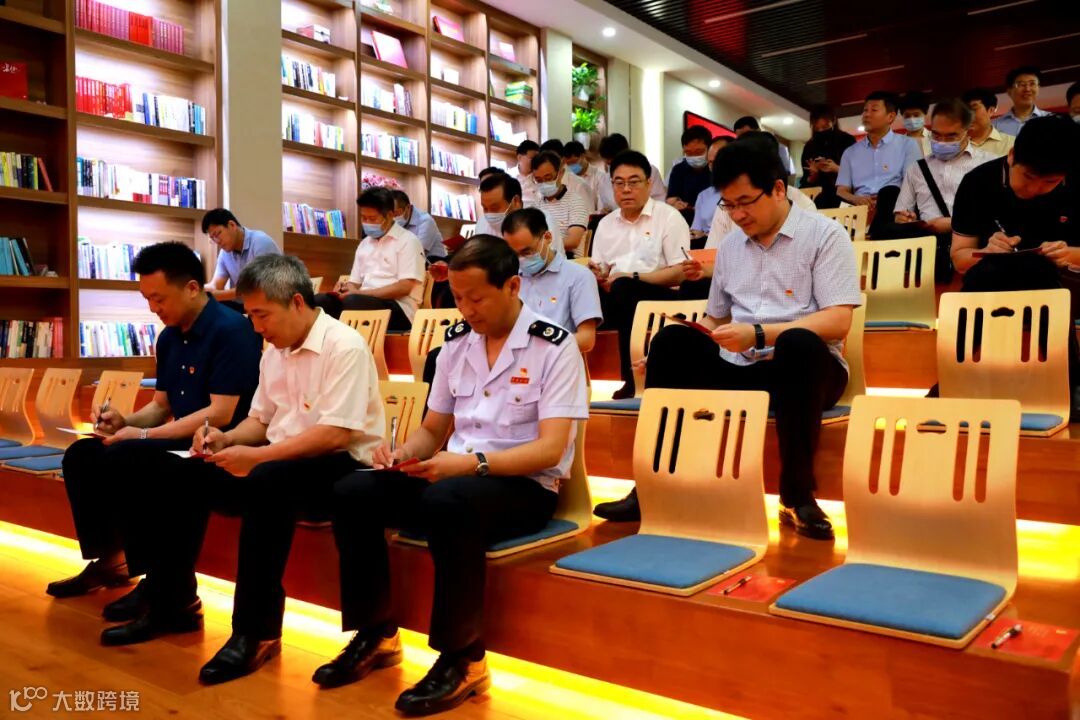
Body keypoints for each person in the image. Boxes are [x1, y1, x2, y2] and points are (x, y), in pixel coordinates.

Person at [316, 235, 588, 715]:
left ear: (512, 286)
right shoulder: (456, 343)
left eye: (476, 298)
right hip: (456, 479)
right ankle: (376, 634)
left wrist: (472, 464)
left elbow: (550, 449)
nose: (466, 309)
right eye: (458, 298)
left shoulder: (554, 346)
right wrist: (402, 454)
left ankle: (464, 658)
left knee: (448, 503)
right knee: (354, 490)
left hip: (523, 486)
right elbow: (432, 430)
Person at [127, 253, 383, 679]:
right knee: (181, 471)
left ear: (297, 302)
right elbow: (260, 421)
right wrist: (224, 439)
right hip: (281, 460)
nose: (257, 327)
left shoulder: (344, 346)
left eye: (263, 315)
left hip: (339, 467)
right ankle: (171, 600)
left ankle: (255, 631)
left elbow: (335, 435)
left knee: (267, 482)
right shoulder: (274, 351)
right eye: (251, 316)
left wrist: (257, 456)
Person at [594, 140, 861, 540]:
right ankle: (652, 486)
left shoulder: (825, 235)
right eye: (728, 205)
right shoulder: (732, 246)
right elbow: (715, 317)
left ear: (777, 189)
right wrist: (675, 352)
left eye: (745, 202)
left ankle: (797, 496)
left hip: (806, 371)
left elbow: (839, 320)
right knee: (671, 341)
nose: (737, 215)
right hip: (744, 364)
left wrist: (759, 333)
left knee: (798, 343)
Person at [50, 242, 261, 636]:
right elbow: (161, 405)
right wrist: (123, 422)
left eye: (159, 298)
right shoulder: (168, 338)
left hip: (222, 445)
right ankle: (112, 561)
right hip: (180, 440)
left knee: (131, 458)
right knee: (84, 453)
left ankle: (170, 592)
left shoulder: (231, 331)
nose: (152, 308)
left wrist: (142, 435)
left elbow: (220, 413)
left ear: (192, 288)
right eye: (146, 298)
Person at [949, 115, 1080, 416]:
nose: (1035, 189)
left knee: (1043, 276)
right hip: (992, 280)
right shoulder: (978, 182)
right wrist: (985, 251)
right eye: (1028, 177)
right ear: (1011, 156)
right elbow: (960, 258)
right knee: (989, 273)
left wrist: (1069, 253)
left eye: (1050, 182)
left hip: (1060, 281)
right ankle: (957, 375)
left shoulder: (1076, 184)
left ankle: (1067, 380)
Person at [589, 150, 690, 399]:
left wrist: (631, 277)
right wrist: (598, 275)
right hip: (617, 293)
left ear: (649, 183)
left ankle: (631, 378)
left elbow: (681, 272)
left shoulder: (669, 217)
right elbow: (601, 267)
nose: (626, 190)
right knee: (583, 287)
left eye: (633, 182)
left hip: (663, 296)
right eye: (619, 183)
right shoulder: (605, 224)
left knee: (624, 288)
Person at [315, 187, 425, 331]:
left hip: (399, 307)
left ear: (390, 215)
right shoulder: (365, 244)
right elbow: (354, 282)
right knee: (320, 301)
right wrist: (345, 289)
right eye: (363, 217)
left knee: (354, 302)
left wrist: (359, 293)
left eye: (372, 219)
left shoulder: (408, 241)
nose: (366, 222)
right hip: (363, 300)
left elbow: (404, 287)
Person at [502, 207, 602, 353]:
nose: (521, 259)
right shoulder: (509, 281)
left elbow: (586, 339)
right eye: (514, 254)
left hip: (561, 358)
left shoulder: (579, 276)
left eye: (527, 251)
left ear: (547, 238)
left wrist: (540, 351)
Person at [893, 97, 993, 241]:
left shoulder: (987, 164)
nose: (942, 142)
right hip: (929, 244)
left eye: (951, 136)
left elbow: (997, 215)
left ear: (967, 132)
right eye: (936, 135)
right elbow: (900, 214)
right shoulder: (917, 169)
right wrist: (905, 219)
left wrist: (953, 224)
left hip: (974, 242)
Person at [836, 91, 921, 237]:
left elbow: (912, 184)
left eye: (874, 110)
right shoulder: (850, 152)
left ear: (890, 117)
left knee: (889, 192)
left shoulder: (907, 145)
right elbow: (841, 190)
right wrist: (857, 199)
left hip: (894, 208)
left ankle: (874, 234)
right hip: (859, 210)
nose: (866, 114)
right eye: (865, 110)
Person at [202, 208, 280, 310]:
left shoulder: (261, 243)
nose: (217, 241)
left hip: (270, 302)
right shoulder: (224, 253)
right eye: (213, 238)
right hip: (243, 305)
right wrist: (198, 290)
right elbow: (216, 285)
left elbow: (261, 288)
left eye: (217, 234)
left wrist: (216, 296)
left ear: (232, 225)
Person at [474, 172, 562, 250]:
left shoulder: (543, 221)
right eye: (485, 208)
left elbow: (555, 261)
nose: (489, 215)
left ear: (516, 201)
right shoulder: (482, 223)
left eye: (495, 208)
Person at [529, 151, 590, 257]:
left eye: (548, 178)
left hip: (569, 260)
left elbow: (573, 242)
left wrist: (538, 245)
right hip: (542, 259)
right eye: (538, 180)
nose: (544, 183)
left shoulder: (575, 201)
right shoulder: (536, 205)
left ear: (560, 174)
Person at [800, 104, 856, 209]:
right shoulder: (810, 146)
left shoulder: (847, 141)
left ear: (833, 121)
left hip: (844, 199)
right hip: (819, 201)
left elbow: (859, 174)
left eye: (825, 127)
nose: (821, 131)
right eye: (817, 128)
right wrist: (813, 176)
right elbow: (805, 182)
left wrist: (836, 168)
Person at [597, 133, 666, 206]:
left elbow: (659, 201)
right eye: (609, 164)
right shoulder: (604, 179)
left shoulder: (649, 171)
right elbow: (604, 204)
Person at [665, 125, 715, 226]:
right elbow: (671, 199)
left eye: (699, 152)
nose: (694, 156)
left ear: (709, 148)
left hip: (712, 222)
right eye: (688, 152)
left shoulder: (716, 168)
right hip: (684, 222)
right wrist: (675, 203)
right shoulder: (678, 169)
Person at [689, 136, 732, 240]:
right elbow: (695, 231)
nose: (713, 166)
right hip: (708, 245)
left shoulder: (749, 194)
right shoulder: (704, 196)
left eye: (718, 161)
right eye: (710, 162)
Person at [993, 66, 1051, 137]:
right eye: (1021, 84)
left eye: (1032, 84)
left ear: (1038, 88)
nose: (1027, 89)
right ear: (1009, 92)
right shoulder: (995, 126)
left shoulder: (1052, 121)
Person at [391, 190, 447, 261]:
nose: (393, 216)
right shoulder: (397, 222)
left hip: (433, 262)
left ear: (408, 207)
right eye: (391, 213)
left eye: (396, 212)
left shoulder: (425, 221)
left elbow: (418, 252)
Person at [963, 87, 1016, 158]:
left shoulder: (1011, 144)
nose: (967, 115)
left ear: (991, 110)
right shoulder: (955, 146)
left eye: (973, 109)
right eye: (964, 110)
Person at [561, 140, 605, 212]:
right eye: (568, 164)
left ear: (582, 156)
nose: (571, 166)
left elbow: (601, 208)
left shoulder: (599, 177)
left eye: (574, 162)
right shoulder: (567, 179)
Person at [899, 91, 932, 157]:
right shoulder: (898, 143)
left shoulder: (935, 139)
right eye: (907, 116)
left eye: (916, 115)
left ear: (925, 114)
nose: (912, 119)